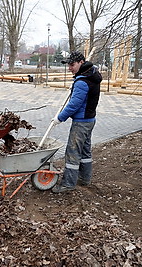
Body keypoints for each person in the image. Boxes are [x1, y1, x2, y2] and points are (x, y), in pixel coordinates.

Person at [51, 51, 102, 193]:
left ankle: (68, 184)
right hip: (90, 120)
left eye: (72, 64)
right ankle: (85, 179)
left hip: (81, 122)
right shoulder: (91, 75)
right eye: (68, 65)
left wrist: (59, 118)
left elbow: (73, 105)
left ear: (81, 62)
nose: (69, 68)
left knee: (72, 152)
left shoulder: (82, 82)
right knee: (85, 151)